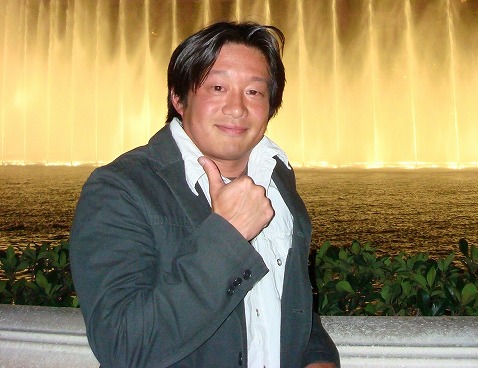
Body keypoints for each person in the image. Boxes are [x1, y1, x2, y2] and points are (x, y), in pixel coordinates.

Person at [70, 21, 340, 368]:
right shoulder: (121, 189)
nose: (237, 108)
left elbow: (285, 298)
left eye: (254, 92)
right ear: (178, 98)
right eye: (217, 87)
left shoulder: (277, 178)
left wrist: (317, 357)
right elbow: (123, 345)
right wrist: (228, 235)